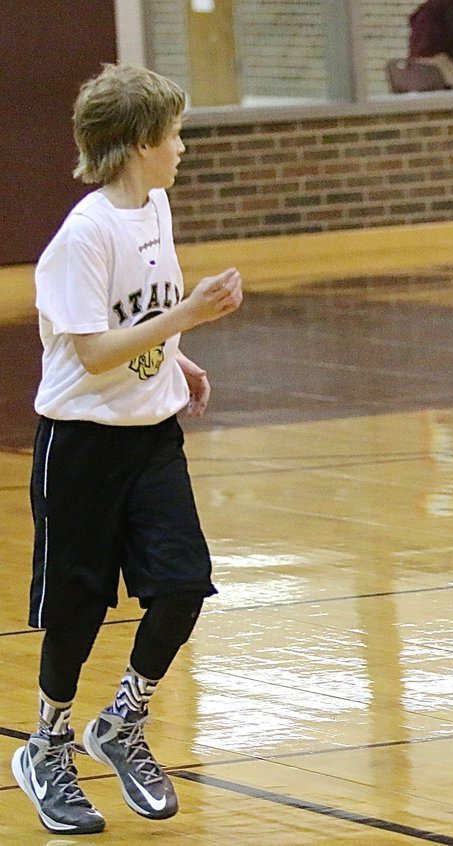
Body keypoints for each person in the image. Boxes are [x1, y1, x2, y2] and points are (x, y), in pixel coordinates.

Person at [10, 63, 243, 835]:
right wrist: (189, 318)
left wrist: (177, 357)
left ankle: (120, 722)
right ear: (141, 141)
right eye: (173, 132)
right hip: (80, 447)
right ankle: (45, 746)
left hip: (152, 441)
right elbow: (95, 352)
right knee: (76, 610)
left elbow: (138, 320)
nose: (181, 146)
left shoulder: (156, 205)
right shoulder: (82, 236)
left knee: (183, 585)